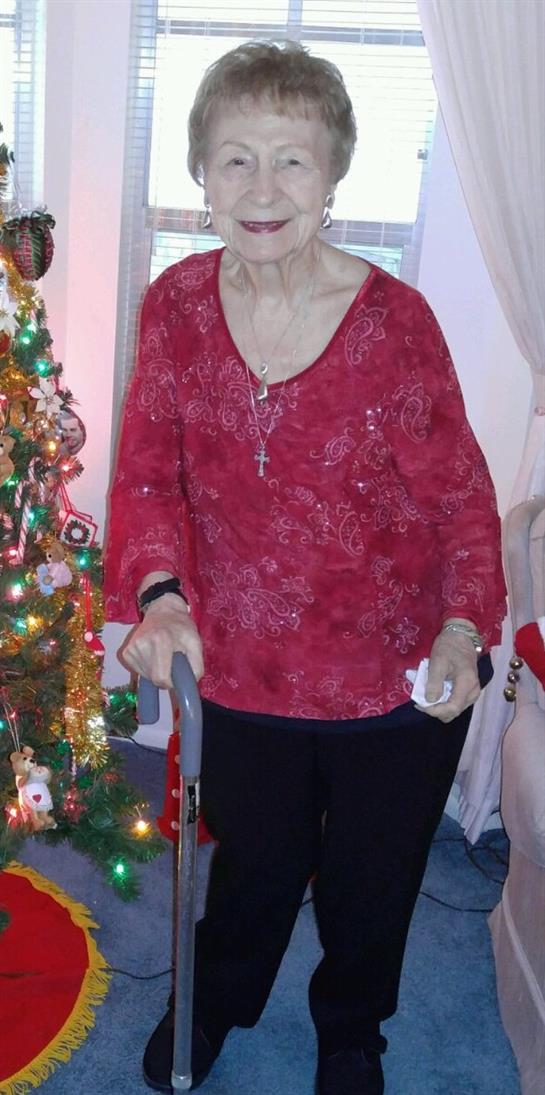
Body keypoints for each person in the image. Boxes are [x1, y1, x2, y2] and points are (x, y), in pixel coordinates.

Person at [103, 41, 506, 1095]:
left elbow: (460, 500)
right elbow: (146, 474)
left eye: (291, 159)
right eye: (235, 158)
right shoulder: (176, 306)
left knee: (373, 881)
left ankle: (350, 1033)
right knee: (255, 865)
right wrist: (159, 596)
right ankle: (216, 1000)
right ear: (201, 175)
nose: (262, 188)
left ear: (332, 178)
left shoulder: (396, 325)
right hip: (243, 667)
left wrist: (463, 627)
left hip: (395, 672)